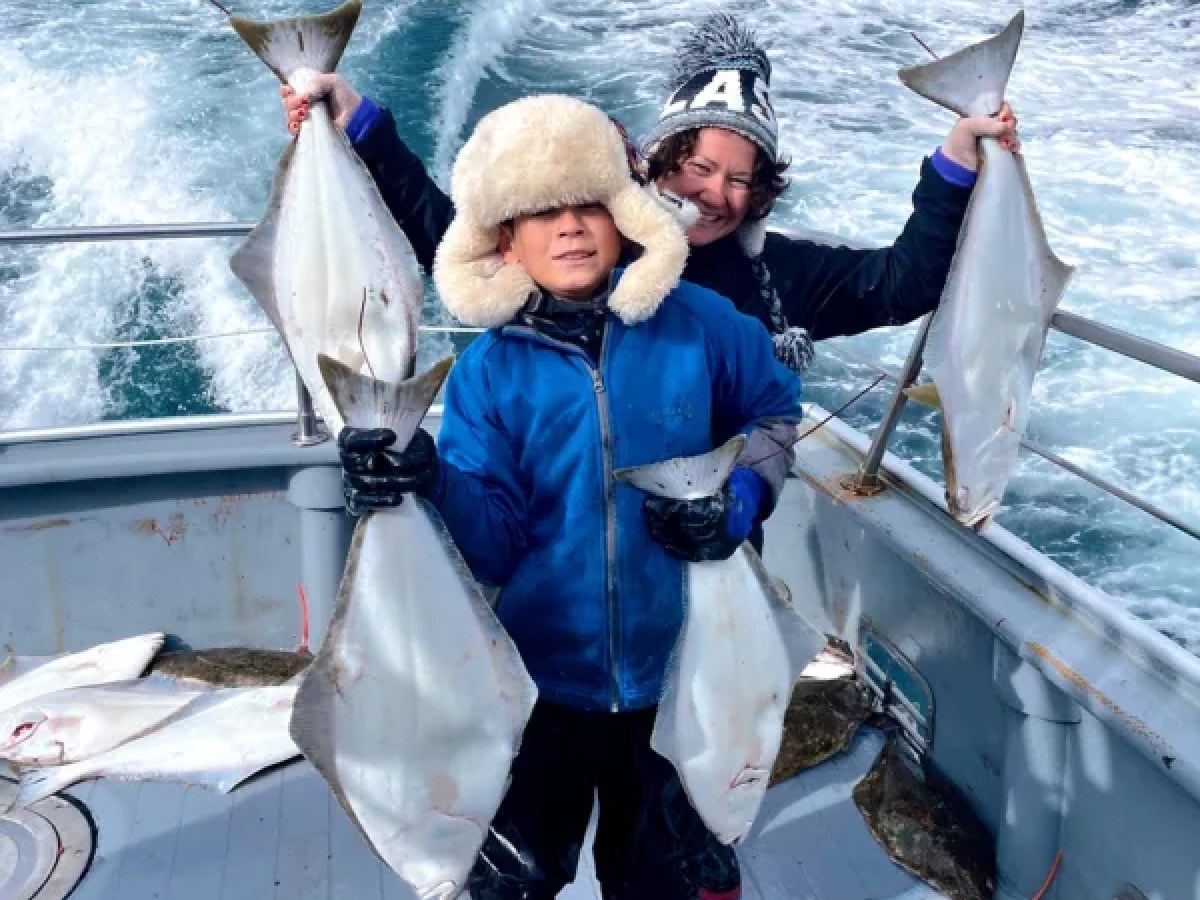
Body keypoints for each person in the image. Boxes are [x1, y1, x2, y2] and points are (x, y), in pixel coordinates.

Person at [336, 93, 805, 900]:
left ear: (623, 213)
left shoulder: (703, 322)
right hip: (534, 687)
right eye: (537, 211)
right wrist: (430, 479)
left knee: (654, 883)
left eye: (588, 202)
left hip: (679, 680)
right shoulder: (487, 370)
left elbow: (774, 412)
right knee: (514, 882)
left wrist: (739, 501)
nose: (569, 226)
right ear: (504, 242)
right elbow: (495, 542)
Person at [280, 14, 1019, 379]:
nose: (715, 193)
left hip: (717, 534)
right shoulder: (591, 247)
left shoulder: (788, 277)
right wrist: (360, 123)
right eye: (697, 165)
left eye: (740, 178)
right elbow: (448, 230)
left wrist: (955, 161)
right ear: (657, 160)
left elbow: (904, 285)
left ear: (763, 192)